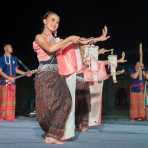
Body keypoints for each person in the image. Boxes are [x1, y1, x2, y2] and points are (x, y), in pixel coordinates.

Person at [33, 11, 110, 144]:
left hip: (58, 75)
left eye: (57, 22)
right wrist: (69, 39)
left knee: (67, 101)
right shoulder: (39, 37)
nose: (55, 24)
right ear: (44, 21)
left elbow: (80, 41)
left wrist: (98, 39)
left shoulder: (58, 40)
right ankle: (49, 130)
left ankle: (52, 135)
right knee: (45, 109)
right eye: (52, 20)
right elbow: (51, 49)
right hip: (44, 76)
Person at [0, 44, 31, 121]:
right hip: (4, 81)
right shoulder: (2, 59)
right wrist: (8, 78)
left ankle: (10, 116)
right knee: (4, 99)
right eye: (10, 47)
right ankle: (2, 116)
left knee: (12, 99)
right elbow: (0, 71)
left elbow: (16, 70)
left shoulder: (14, 58)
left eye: (12, 47)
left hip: (13, 81)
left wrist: (25, 73)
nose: (12, 48)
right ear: (5, 48)